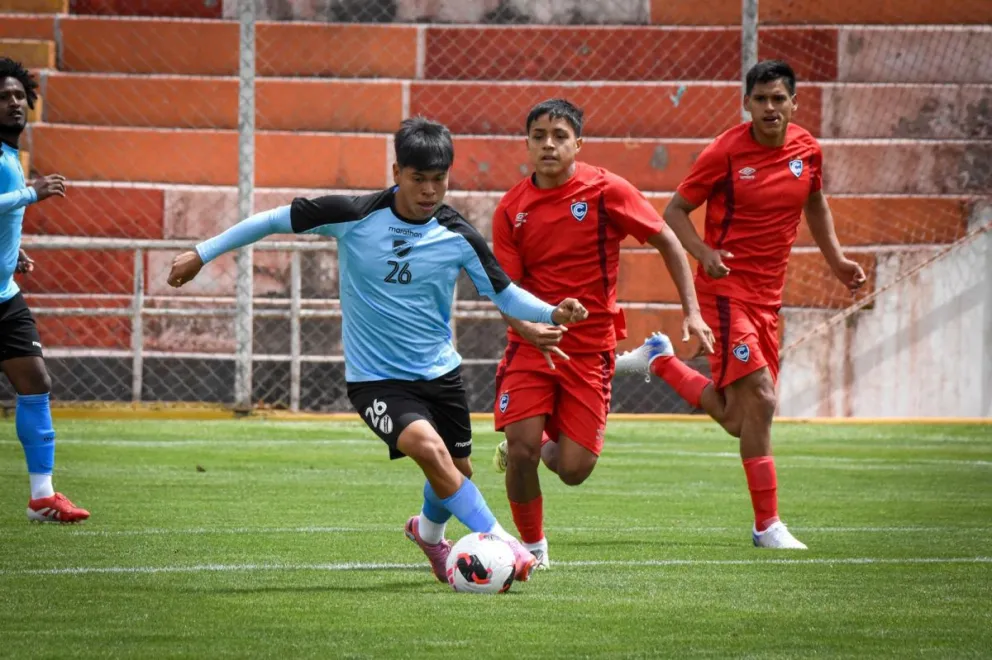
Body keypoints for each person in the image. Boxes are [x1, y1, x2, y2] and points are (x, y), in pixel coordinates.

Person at [167, 117, 588, 583]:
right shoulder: (354, 214)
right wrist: (201, 253)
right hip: (376, 380)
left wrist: (552, 312)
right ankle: (505, 544)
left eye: (439, 180)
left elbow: (505, 294)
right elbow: (272, 219)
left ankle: (428, 535)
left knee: (457, 469)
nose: (430, 191)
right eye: (418, 179)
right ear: (396, 172)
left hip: (441, 374)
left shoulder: (457, 235)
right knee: (430, 451)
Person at [616, 60, 867, 549]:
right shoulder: (726, 152)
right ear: (747, 104)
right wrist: (704, 253)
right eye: (761, 99)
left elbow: (815, 201)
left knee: (739, 417)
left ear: (794, 103)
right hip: (726, 291)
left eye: (779, 99)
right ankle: (767, 525)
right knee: (765, 400)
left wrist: (836, 261)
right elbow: (675, 211)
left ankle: (662, 362)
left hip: (769, 298)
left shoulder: (807, 150)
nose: (770, 108)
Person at [490, 99, 713, 568]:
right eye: (538, 136)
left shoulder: (605, 189)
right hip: (531, 346)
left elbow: (666, 240)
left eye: (559, 135)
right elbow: (504, 290)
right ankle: (532, 547)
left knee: (573, 470)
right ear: (527, 143)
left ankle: (541, 443)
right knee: (523, 449)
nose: (548, 144)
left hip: (590, 350)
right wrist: (533, 329)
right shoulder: (511, 208)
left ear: (578, 143)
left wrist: (691, 312)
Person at [0, 57, 89, 523]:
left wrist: (12, 253)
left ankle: (42, 497)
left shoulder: (9, 155)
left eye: (19, 95)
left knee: (35, 383)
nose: (14, 103)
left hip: (4, 295)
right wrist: (31, 193)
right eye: (3, 97)